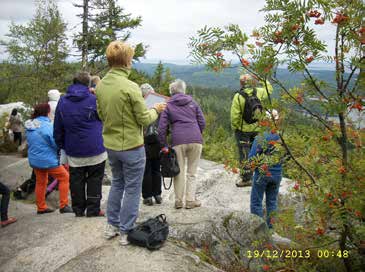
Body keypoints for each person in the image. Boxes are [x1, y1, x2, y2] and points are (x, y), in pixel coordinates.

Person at [96, 41, 166, 245]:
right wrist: (157, 109)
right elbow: (144, 119)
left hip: (111, 144)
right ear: (127, 61)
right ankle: (126, 231)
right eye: (131, 58)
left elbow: (101, 114)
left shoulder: (101, 86)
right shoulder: (130, 87)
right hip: (132, 147)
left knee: (117, 183)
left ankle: (112, 225)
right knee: (133, 188)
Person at [54, 71, 107, 217]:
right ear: (88, 84)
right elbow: (104, 118)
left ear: (73, 82)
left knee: (76, 179)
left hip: (73, 147)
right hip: (95, 145)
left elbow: (58, 127)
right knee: (95, 178)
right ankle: (93, 209)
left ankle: (78, 209)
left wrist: (60, 145)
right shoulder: (94, 99)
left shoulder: (63, 101)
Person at [158, 79, 206, 209]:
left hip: (178, 140)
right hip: (196, 139)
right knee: (192, 172)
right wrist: (196, 133)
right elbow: (202, 122)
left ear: (171, 92)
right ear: (184, 90)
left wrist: (164, 145)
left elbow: (161, 128)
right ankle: (190, 201)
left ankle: (178, 201)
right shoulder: (193, 103)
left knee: (178, 171)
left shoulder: (167, 105)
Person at [25, 103, 72, 214]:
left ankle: (41, 207)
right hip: (48, 160)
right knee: (64, 177)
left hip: (35, 160)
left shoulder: (30, 125)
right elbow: (56, 143)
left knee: (41, 181)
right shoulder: (48, 126)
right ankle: (64, 205)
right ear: (47, 112)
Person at [230, 74, 273, 187]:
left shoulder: (238, 97)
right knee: (258, 151)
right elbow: (269, 89)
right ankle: (260, 175)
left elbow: (235, 116)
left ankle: (246, 178)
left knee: (245, 153)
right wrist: (262, 79)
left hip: (243, 130)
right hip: (258, 127)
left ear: (241, 83)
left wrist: (235, 127)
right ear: (252, 82)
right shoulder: (259, 92)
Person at [248, 110, 282, 229]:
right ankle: (271, 230)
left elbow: (252, 158)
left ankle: (259, 231)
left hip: (262, 174)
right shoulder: (281, 137)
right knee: (272, 202)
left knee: (256, 202)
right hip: (277, 175)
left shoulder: (261, 137)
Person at [140, 83, 162, 206]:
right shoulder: (158, 105)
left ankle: (147, 197)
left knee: (146, 169)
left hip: (143, 141)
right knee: (156, 168)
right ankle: (157, 195)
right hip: (157, 140)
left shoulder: (140, 106)